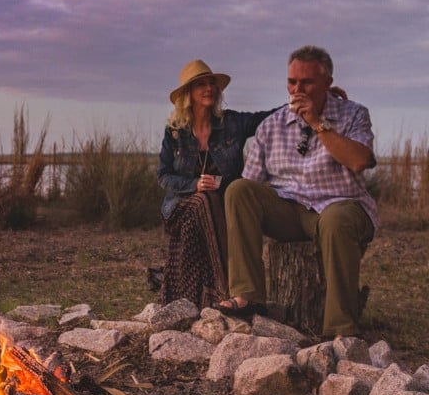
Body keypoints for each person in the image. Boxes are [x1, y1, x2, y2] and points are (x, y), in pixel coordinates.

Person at [217, 45, 376, 338]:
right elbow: (248, 186)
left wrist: (317, 123)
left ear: (327, 83)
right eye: (292, 81)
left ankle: (340, 331)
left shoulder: (354, 114)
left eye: (307, 82)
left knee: (336, 221)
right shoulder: (271, 125)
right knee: (238, 191)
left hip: (339, 205)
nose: (297, 88)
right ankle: (248, 296)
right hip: (289, 211)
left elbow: (359, 160)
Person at [157, 60, 276, 307]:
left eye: (212, 83)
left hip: (224, 203)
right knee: (203, 199)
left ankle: (220, 294)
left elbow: (270, 118)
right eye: (201, 84)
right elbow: (163, 176)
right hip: (182, 205)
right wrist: (194, 184)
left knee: (212, 200)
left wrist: (309, 99)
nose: (209, 88)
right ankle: (227, 290)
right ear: (188, 94)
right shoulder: (175, 132)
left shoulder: (232, 123)